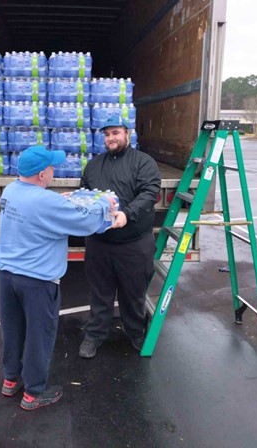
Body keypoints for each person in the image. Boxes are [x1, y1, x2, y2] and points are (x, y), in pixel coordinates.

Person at [0, 145, 116, 410]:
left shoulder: (11, 190)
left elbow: (36, 208)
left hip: (7, 274)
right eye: (51, 167)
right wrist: (105, 203)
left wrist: (61, 199)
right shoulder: (46, 202)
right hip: (37, 280)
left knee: (13, 329)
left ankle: (10, 379)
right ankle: (34, 392)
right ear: (41, 174)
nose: (54, 170)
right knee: (40, 334)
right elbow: (85, 222)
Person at [79, 114, 161, 358]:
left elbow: (149, 192)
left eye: (115, 132)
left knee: (133, 293)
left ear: (127, 133)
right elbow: (86, 195)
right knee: (99, 292)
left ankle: (135, 332)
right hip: (100, 243)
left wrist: (127, 214)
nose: (110, 138)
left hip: (134, 243)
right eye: (106, 134)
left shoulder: (144, 163)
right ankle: (94, 335)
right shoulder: (94, 165)